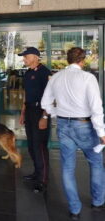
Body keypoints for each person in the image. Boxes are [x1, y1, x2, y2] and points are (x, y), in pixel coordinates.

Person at [41, 47, 105, 220]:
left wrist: (57, 113)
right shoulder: (88, 78)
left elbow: (45, 103)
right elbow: (96, 107)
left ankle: (74, 209)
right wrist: (101, 132)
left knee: (68, 168)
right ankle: (98, 202)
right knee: (96, 163)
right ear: (82, 61)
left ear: (68, 60)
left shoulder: (56, 77)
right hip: (84, 126)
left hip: (63, 125)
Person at [18, 47, 51, 193]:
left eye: (26, 56)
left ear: (35, 57)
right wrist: (23, 112)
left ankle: (42, 180)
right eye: (23, 57)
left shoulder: (45, 73)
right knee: (31, 145)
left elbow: (52, 97)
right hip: (30, 111)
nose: (23, 59)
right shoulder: (28, 73)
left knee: (40, 147)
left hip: (40, 112)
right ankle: (37, 173)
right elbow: (26, 93)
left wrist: (45, 116)